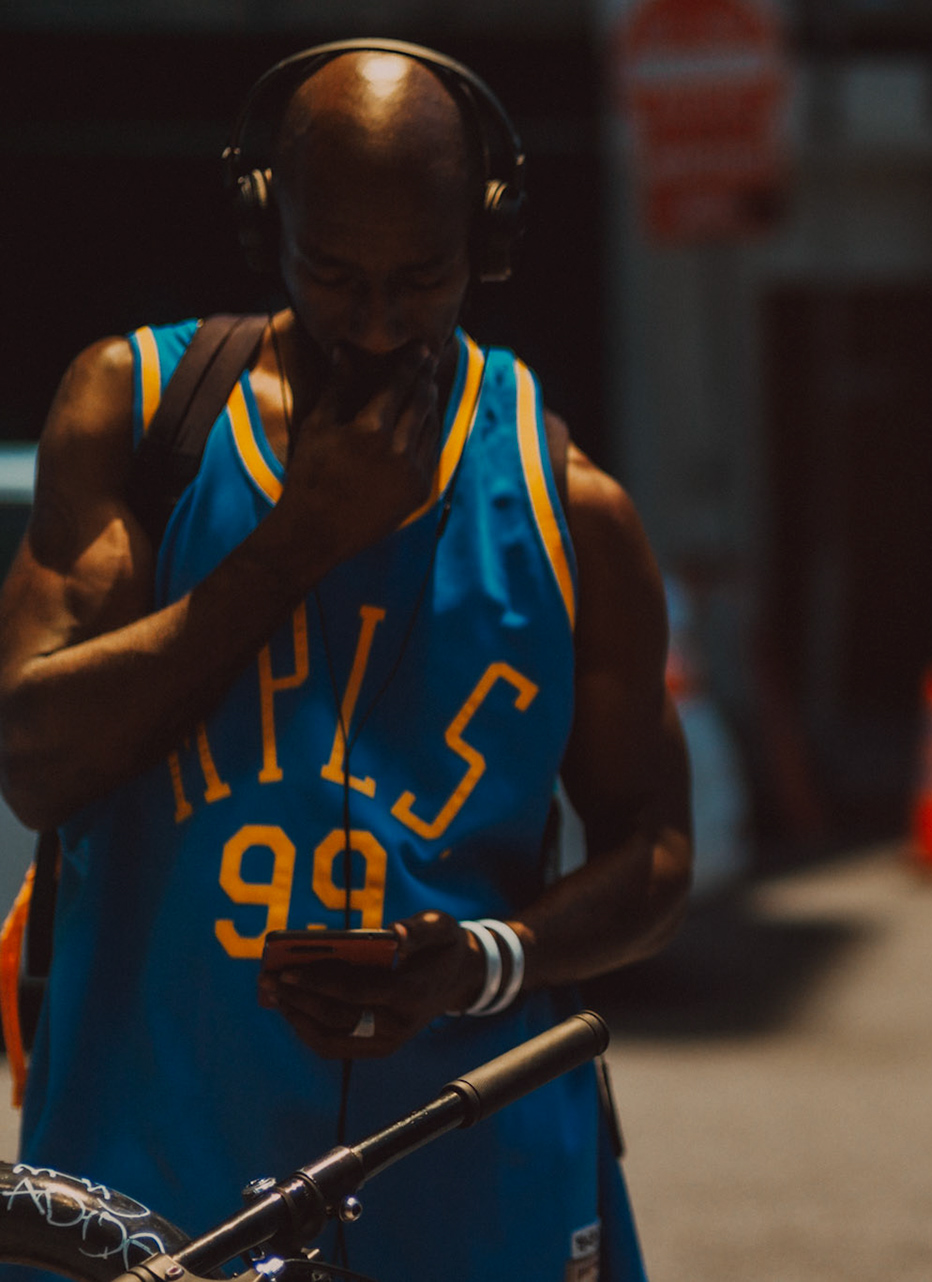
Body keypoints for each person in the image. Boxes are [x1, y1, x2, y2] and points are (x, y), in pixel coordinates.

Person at [0, 43, 690, 1281]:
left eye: (422, 278)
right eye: (334, 273)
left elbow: (658, 854)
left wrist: (486, 962)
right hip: (151, 1173)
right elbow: (33, 761)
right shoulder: (140, 410)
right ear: (267, 219)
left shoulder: (570, 506)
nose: (376, 322)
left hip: (467, 1168)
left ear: (490, 236)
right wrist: (298, 542)